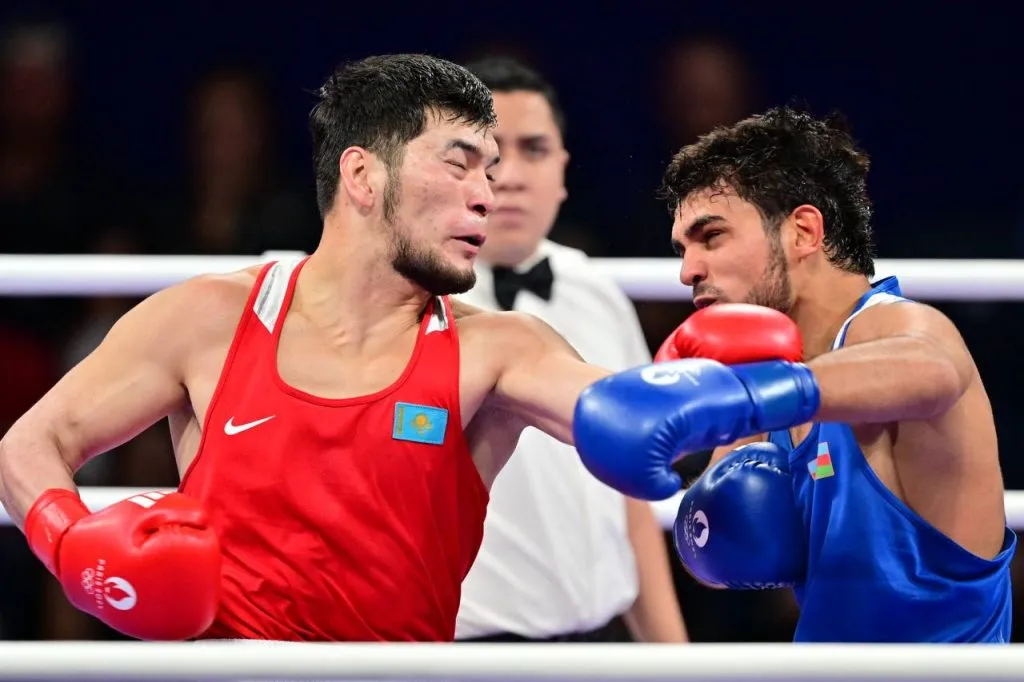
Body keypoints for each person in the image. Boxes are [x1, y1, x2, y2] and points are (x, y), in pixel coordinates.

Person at [0, 54, 819, 642]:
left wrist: (731, 393)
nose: (487, 193)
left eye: (492, 171)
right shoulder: (208, 319)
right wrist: (71, 541)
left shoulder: (496, 351)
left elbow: (626, 416)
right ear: (363, 177)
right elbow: (32, 442)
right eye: (461, 165)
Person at [655, 105, 1017, 642]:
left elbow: (935, 368)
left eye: (711, 236)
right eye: (682, 249)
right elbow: (716, 559)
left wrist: (756, 396)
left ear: (803, 232)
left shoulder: (896, 327)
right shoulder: (769, 379)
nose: (688, 270)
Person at [452, 56, 687, 644]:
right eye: (487, 152)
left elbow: (632, 491)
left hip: (598, 645)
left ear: (562, 169)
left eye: (533, 149)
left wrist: (673, 661)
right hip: (458, 651)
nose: (509, 175)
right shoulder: (404, 299)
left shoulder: (596, 293)